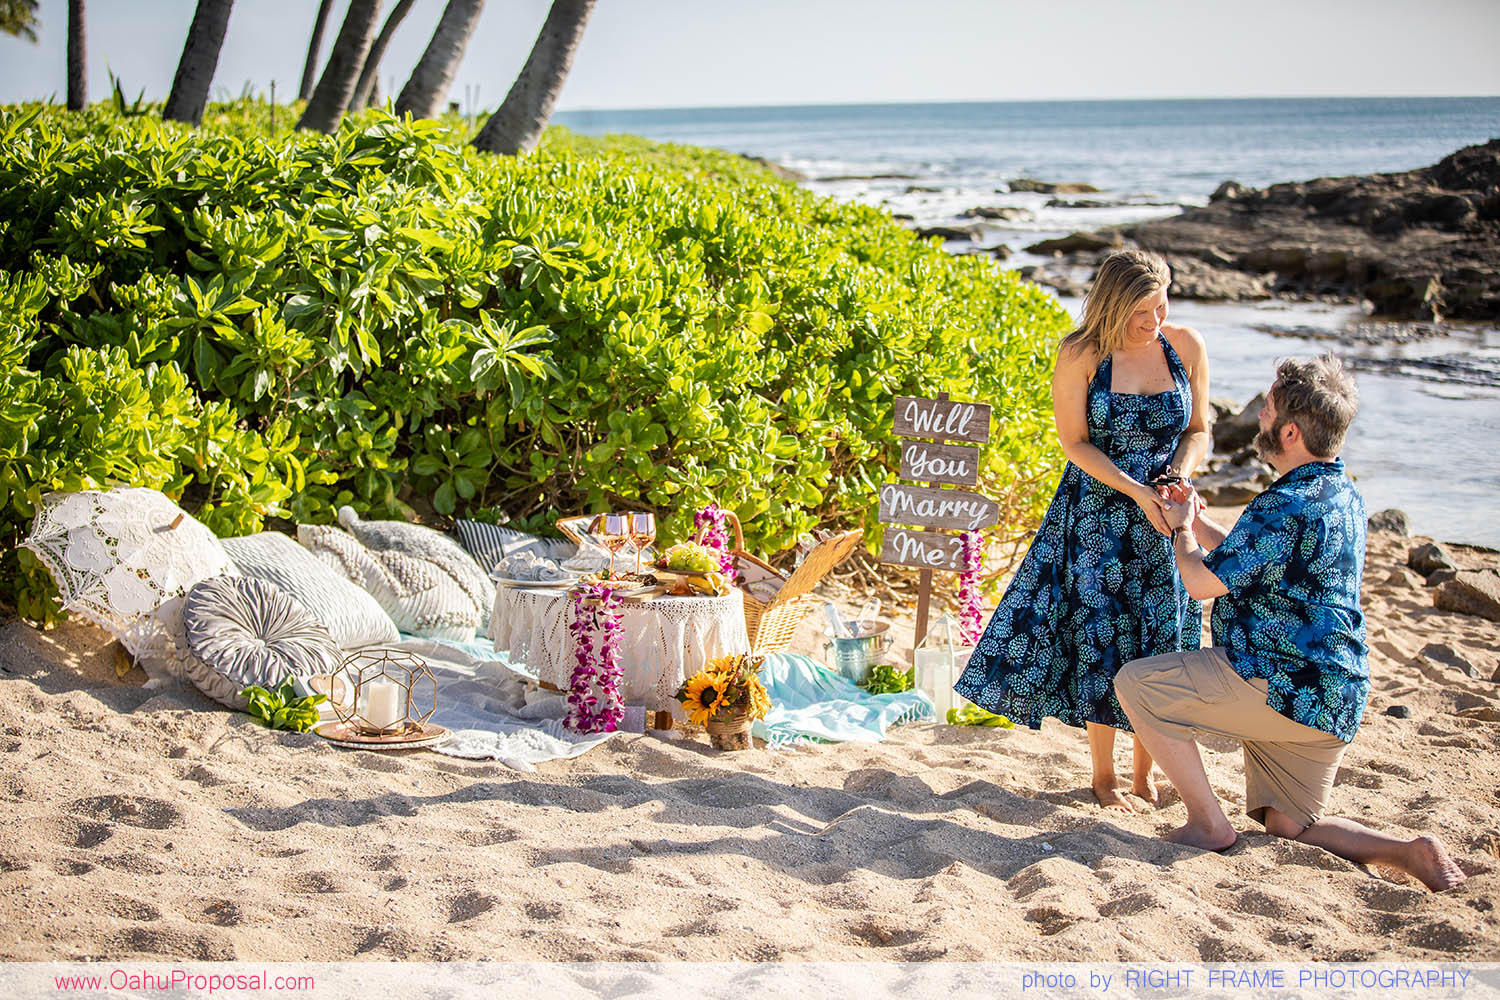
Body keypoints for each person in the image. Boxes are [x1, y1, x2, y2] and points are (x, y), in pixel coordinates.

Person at [1115, 355, 1466, 891]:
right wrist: (1200, 519)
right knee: (1289, 828)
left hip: (1279, 685)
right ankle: (1411, 852)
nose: (1259, 419)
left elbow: (1201, 584)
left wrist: (1181, 531)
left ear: (1292, 431)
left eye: (1268, 410)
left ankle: (1209, 825)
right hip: (1336, 695)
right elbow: (1250, 556)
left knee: (1135, 685)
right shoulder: (1342, 493)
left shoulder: (1281, 504)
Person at [955, 249, 1211, 812]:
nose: (1154, 322)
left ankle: (1148, 775)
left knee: (1161, 642)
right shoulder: (1082, 353)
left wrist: (1175, 480)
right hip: (1099, 515)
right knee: (1103, 640)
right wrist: (1136, 490)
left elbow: (1198, 430)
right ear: (1114, 305)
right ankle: (1106, 778)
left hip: (1167, 516)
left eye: (1161, 307)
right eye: (1142, 312)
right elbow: (1075, 442)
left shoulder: (1186, 346)